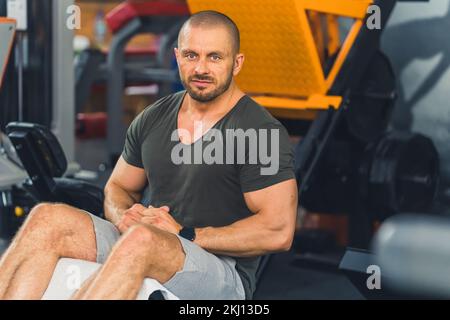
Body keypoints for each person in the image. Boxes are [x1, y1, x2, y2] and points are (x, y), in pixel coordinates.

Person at [0, 10, 298, 300]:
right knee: (46, 218)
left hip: (221, 269)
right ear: (178, 55)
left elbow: (278, 231)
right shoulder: (154, 117)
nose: (201, 68)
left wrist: (186, 234)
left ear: (237, 63)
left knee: (143, 240)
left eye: (215, 57)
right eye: (192, 55)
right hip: (145, 240)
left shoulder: (260, 131)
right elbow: (118, 187)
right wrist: (124, 216)